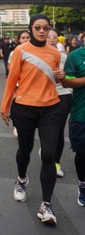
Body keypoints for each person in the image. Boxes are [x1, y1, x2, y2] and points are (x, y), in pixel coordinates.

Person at [0, 14, 64, 225]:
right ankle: (21, 179)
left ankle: (46, 205)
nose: (42, 31)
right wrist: (4, 107)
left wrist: (62, 76)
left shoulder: (55, 53)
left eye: (46, 27)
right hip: (24, 108)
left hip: (51, 108)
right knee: (25, 150)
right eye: (38, 27)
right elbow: (12, 80)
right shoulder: (20, 50)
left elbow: (55, 79)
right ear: (31, 29)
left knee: (49, 154)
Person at [62, 44, 85, 207]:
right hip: (81, 114)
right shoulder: (75, 56)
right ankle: (83, 185)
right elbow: (66, 82)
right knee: (82, 154)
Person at [47, 28, 71, 178]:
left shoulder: (64, 57)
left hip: (63, 94)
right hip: (43, 95)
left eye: (54, 37)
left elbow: (71, 76)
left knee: (59, 129)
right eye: (48, 36)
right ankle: (47, 150)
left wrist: (64, 75)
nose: (51, 39)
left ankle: (56, 163)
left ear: (58, 40)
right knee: (47, 129)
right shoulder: (34, 56)